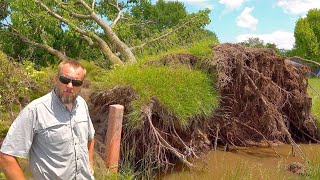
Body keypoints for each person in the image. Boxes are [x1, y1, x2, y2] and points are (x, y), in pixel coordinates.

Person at [0, 60, 95, 179]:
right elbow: (7, 155)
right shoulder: (35, 110)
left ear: (81, 84)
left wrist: (90, 165)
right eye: (65, 80)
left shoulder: (82, 104)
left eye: (76, 82)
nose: (70, 86)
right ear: (57, 78)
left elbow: (90, 137)